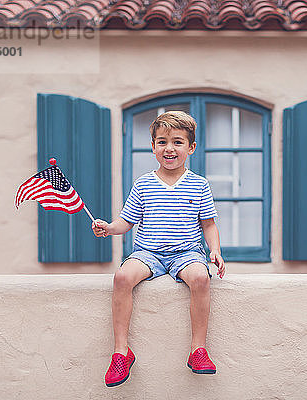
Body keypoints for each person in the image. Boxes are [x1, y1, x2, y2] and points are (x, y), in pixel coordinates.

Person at [92, 111, 225, 387]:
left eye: (177, 142)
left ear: (191, 147)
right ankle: (121, 352)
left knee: (201, 278)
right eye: (162, 141)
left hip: (187, 253)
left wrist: (215, 251)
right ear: (153, 146)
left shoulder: (199, 184)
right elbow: (126, 222)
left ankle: (198, 350)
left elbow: (208, 224)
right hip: (147, 253)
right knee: (121, 278)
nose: (169, 148)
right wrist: (108, 227)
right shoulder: (143, 184)